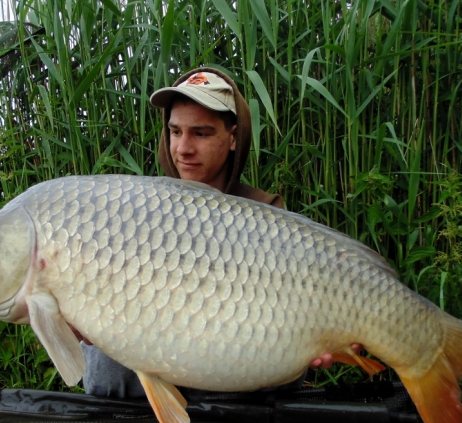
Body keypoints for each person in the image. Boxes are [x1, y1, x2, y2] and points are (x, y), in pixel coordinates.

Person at [81, 68, 360, 397]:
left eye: (200, 134)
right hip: (142, 394)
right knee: (105, 363)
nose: (183, 148)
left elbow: (287, 340)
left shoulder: (268, 216)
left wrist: (326, 339)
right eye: (175, 132)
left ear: (233, 138)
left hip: (242, 392)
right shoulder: (141, 214)